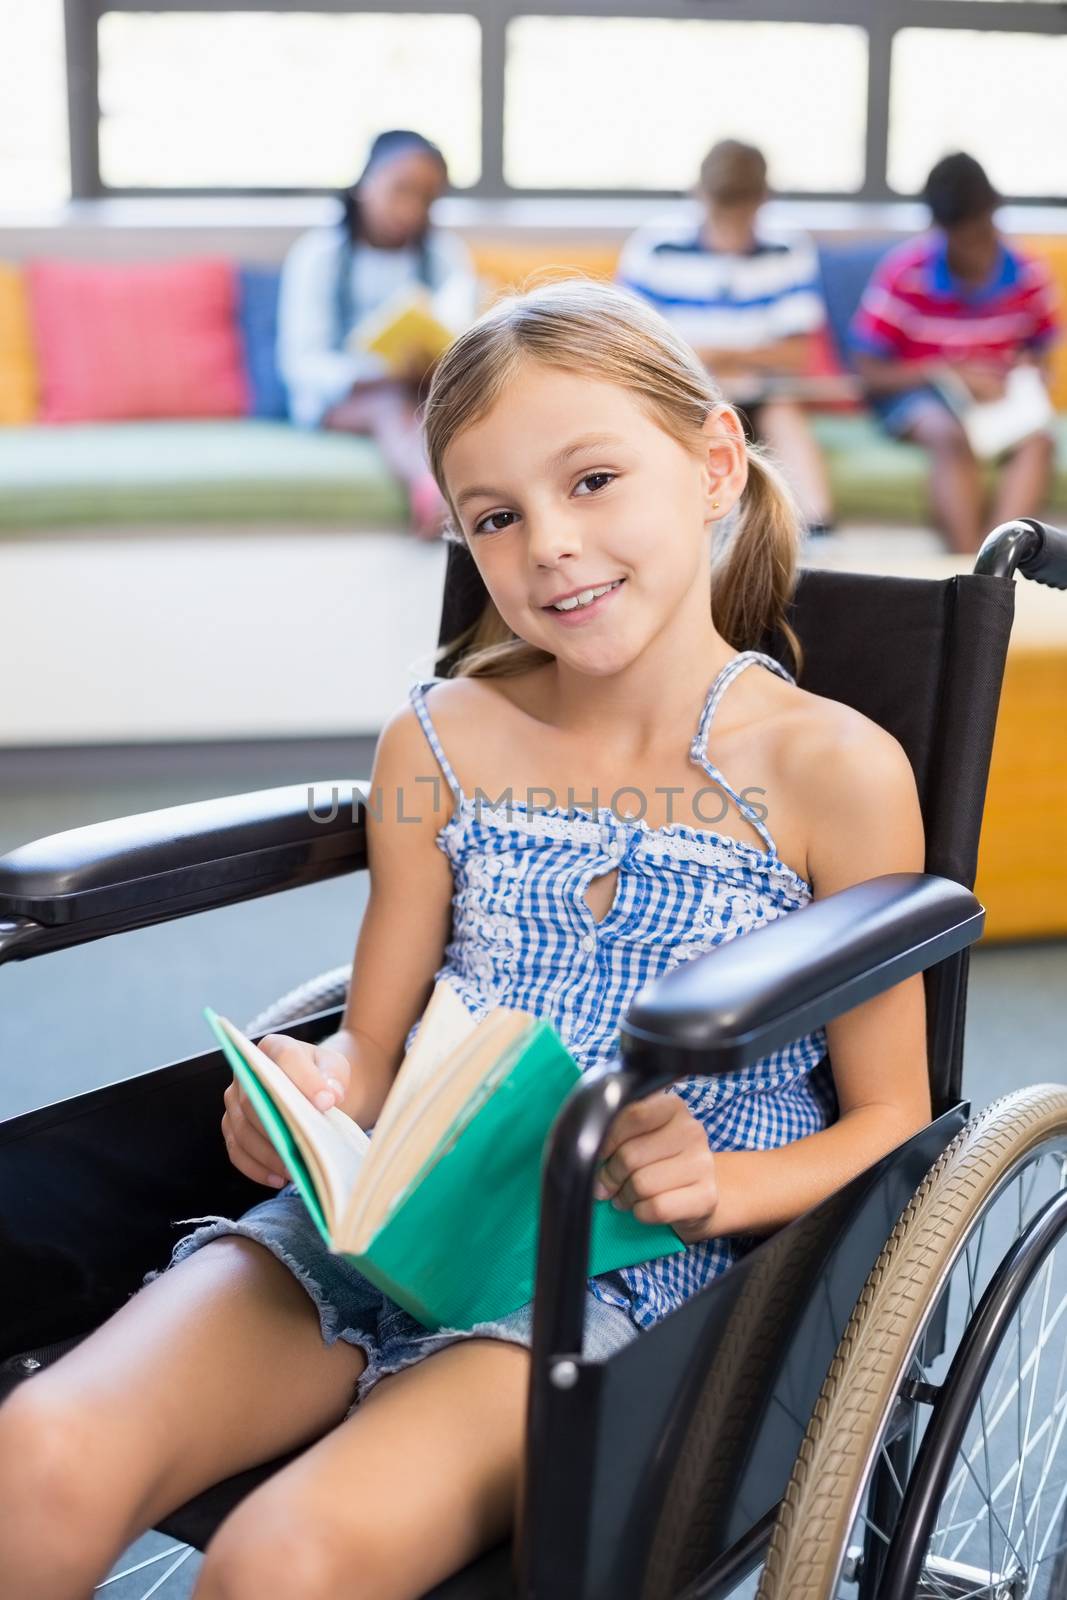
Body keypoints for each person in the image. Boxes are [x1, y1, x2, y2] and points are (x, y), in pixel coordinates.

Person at [0, 280, 932, 1600]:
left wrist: (711, 1188)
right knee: (37, 1448)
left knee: (284, 1562)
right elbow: (371, 1047)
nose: (548, 544)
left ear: (712, 463)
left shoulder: (831, 768)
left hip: (632, 1266)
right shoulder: (438, 741)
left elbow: (893, 1115)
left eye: (592, 480)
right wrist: (311, 1102)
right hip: (395, 1220)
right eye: (495, 517)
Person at [617, 138, 835, 538]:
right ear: (698, 196)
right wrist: (739, 358)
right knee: (688, 419)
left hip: (763, 394)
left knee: (783, 412)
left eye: (743, 215)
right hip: (686, 391)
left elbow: (795, 354)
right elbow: (633, 347)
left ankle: (818, 532)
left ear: (764, 200)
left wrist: (708, 353)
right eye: (722, 214)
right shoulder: (655, 247)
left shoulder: (789, 247)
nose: (732, 230)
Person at [850, 152, 1060, 556]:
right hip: (922, 398)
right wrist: (944, 373)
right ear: (939, 229)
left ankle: (996, 569)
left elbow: (1040, 355)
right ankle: (971, 576)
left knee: (1038, 443)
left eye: (980, 234)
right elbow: (869, 371)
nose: (973, 251)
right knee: (947, 434)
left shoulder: (1028, 273)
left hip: (998, 403)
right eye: (961, 238)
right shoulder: (905, 273)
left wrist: (1022, 375)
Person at [277, 128, 479, 539]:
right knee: (389, 403)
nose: (410, 209)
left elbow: (463, 334)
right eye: (400, 190)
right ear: (364, 184)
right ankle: (433, 494)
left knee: (454, 405)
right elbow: (301, 364)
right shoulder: (320, 256)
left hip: (422, 385)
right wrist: (375, 371)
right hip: (341, 397)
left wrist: (437, 361)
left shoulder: (443, 256)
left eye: (425, 198)